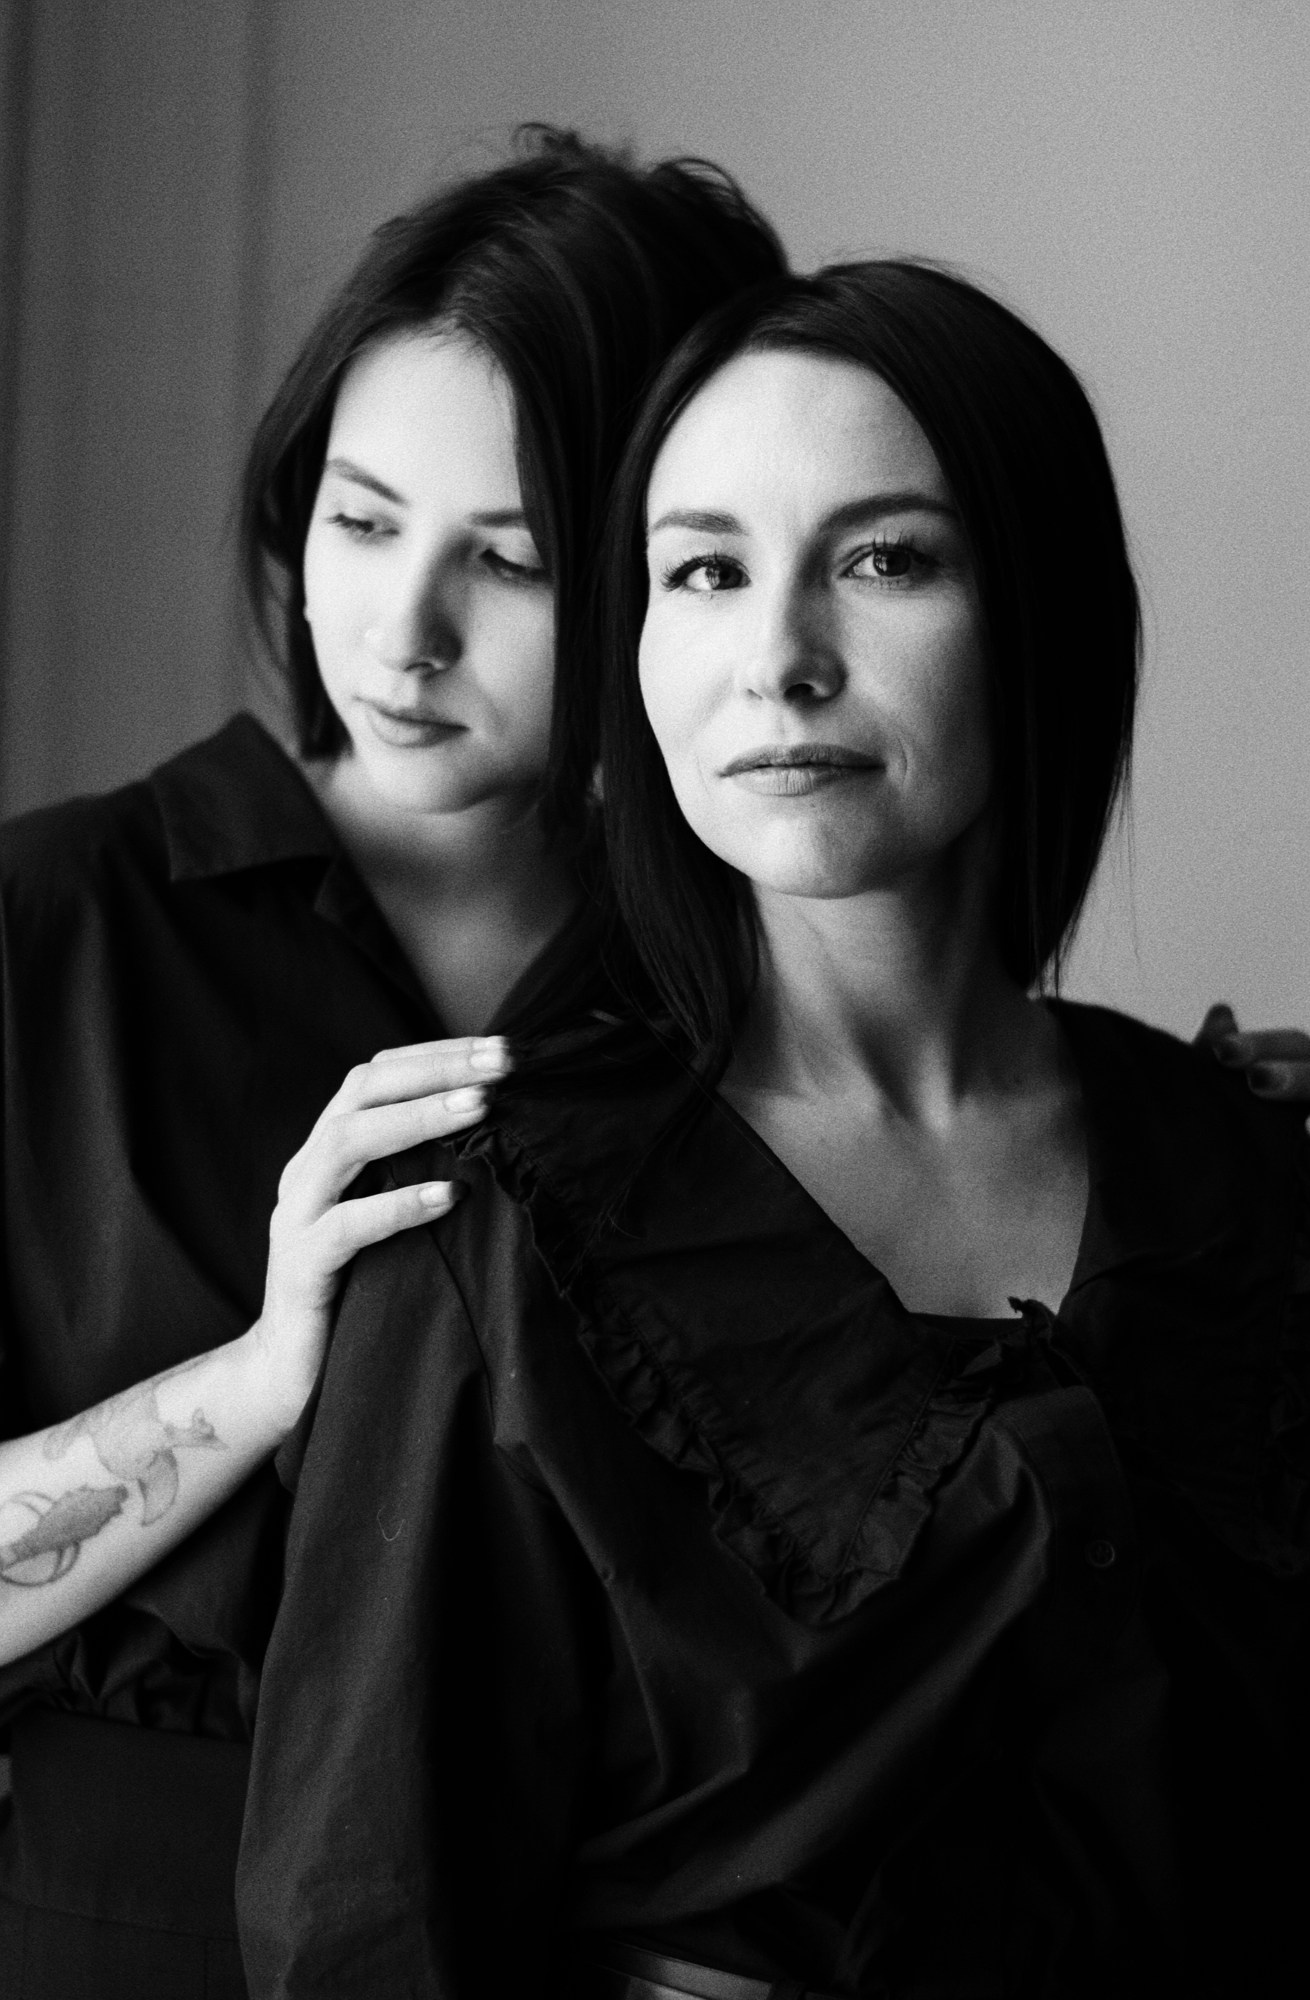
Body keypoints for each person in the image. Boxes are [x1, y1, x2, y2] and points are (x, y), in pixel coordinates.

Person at [236, 262, 1310, 1998]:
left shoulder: (1251, 1176)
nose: (779, 662)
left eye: (883, 561)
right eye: (704, 571)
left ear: (1042, 614)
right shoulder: (491, 1222)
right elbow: (366, 1930)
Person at [0, 129, 787, 1999]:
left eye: (507, 562)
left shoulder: (736, 990)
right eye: (360, 525)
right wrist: (256, 1384)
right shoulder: (58, 926)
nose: (403, 634)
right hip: (132, 1927)